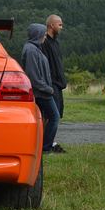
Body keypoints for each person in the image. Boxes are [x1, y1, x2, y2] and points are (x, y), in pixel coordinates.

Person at [21, 23, 60, 154]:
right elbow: (33, 77)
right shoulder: (31, 50)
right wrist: (49, 89)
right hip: (41, 93)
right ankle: (46, 147)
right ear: (37, 34)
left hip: (42, 91)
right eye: (43, 33)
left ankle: (39, 145)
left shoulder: (35, 48)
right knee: (54, 117)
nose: (45, 36)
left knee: (42, 119)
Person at [41, 14, 67, 153]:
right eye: (60, 24)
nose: (61, 27)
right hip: (50, 85)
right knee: (51, 115)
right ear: (51, 25)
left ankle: (50, 142)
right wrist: (48, 84)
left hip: (58, 84)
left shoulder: (55, 43)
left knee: (56, 114)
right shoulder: (44, 43)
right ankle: (46, 145)